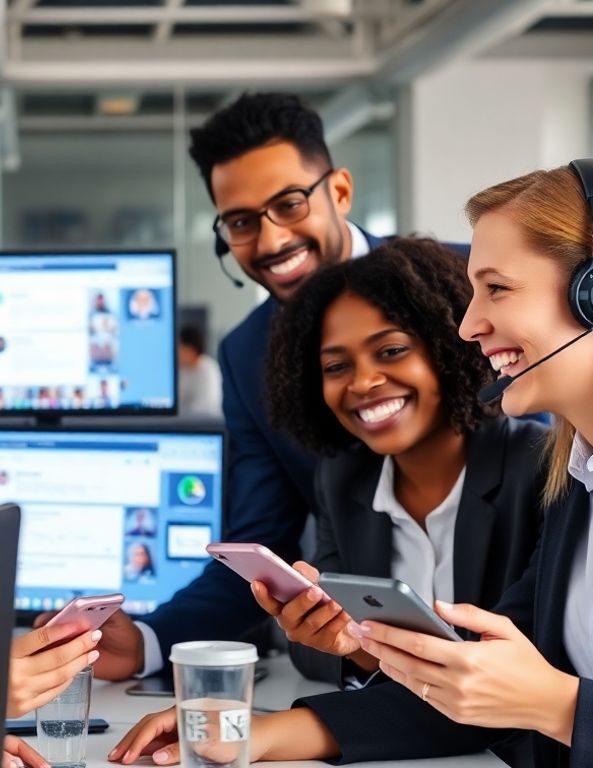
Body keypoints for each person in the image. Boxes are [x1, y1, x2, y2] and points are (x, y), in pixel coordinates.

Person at [111, 101, 593, 766]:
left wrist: (554, 704)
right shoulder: (582, 475)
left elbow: (540, 702)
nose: (468, 328)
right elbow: (473, 687)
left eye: (496, 289)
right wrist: (256, 732)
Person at [69, 92, 394, 682]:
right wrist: (147, 641)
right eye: (242, 222)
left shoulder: (467, 290)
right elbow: (259, 547)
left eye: (290, 205)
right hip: (352, 667)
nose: (270, 243)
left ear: (339, 193)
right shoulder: (248, 356)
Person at [258, 237, 544, 704]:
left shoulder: (537, 467)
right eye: (336, 366)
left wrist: (368, 646)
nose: (363, 382)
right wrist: (338, 638)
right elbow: (314, 656)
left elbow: (520, 665)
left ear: (447, 345)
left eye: (390, 351)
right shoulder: (343, 478)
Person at [176, 325, 222, 417]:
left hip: (205, 422)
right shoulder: (182, 370)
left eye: (180, 348)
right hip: (184, 420)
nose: (177, 352)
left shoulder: (208, 369)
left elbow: (205, 407)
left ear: (191, 349)